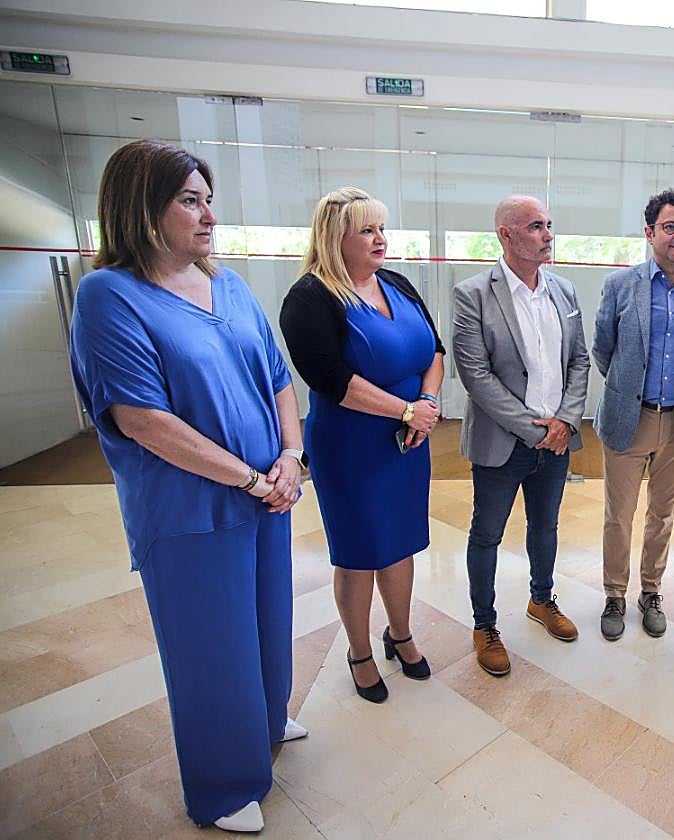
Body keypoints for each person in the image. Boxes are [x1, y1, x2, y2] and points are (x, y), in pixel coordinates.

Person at [69, 139, 305, 833]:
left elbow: (278, 378)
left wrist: (291, 457)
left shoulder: (227, 284)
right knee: (209, 645)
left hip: (267, 494)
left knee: (267, 622)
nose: (208, 217)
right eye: (189, 201)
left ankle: (265, 720)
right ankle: (224, 783)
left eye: (209, 201)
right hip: (190, 507)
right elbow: (143, 420)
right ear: (141, 207)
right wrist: (253, 479)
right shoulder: (109, 295)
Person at [279, 187, 443, 703]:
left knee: (400, 542)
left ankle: (401, 634)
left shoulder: (396, 283)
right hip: (352, 446)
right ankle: (359, 652)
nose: (380, 239)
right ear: (336, 238)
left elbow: (434, 350)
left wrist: (428, 402)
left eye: (381, 229)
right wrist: (404, 410)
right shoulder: (309, 298)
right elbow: (330, 379)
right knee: (357, 553)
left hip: (409, 439)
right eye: (367, 230)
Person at [451, 194, 590, 677]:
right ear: (506, 235)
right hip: (504, 442)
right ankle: (484, 624)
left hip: (557, 442)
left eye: (549, 224)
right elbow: (476, 375)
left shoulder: (565, 292)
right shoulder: (473, 294)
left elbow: (579, 361)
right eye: (535, 226)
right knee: (486, 534)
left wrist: (566, 421)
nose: (547, 234)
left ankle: (541, 599)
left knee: (545, 527)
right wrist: (536, 429)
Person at [591, 189, 674, 640]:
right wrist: (629, 390)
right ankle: (614, 594)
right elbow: (603, 349)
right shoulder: (621, 285)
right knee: (619, 514)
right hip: (631, 417)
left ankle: (652, 591)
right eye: (670, 226)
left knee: (663, 515)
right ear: (650, 232)